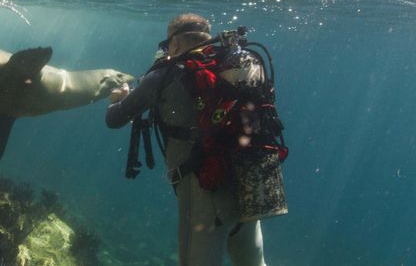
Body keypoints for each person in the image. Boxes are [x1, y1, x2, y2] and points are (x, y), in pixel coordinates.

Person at [105, 13, 288, 266]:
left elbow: (114, 119)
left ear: (175, 43)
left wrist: (117, 100)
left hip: (205, 195)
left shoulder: (162, 76)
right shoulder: (231, 65)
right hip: (247, 185)